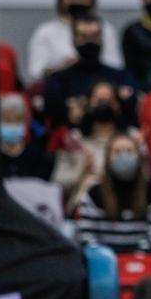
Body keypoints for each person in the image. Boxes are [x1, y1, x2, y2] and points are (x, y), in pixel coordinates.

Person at [74, 133, 151, 252]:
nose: (123, 156)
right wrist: (106, 257)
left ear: (139, 156)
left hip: (142, 262)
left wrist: (134, 258)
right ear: (108, 158)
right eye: (117, 152)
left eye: (129, 151)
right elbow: (85, 235)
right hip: (103, 263)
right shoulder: (93, 194)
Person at [42, 14, 140, 131]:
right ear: (73, 40)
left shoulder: (122, 77)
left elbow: (132, 114)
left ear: (102, 39)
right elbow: (55, 119)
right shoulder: (58, 80)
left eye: (94, 36)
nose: (89, 42)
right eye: (83, 36)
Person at [51, 80, 139, 210]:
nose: (103, 104)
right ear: (88, 104)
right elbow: (57, 182)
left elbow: (145, 177)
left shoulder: (132, 138)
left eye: (109, 99)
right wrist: (82, 172)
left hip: (126, 204)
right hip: (83, 207)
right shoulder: (73, 140)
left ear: (118, 105)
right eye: (98, 100)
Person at [25, 0, 122, 82]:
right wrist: (64, 68)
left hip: (98, 86)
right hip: (59, 87)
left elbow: (115, 65)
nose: (78, 1)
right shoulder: (45, 32)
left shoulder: (105, 29)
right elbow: (36, 73)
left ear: (91, 0)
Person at [0, 94, 54, 180]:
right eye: (7, 120)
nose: (12, 125)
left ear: (25, 122)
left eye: (18, 120)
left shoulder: (37, 154)